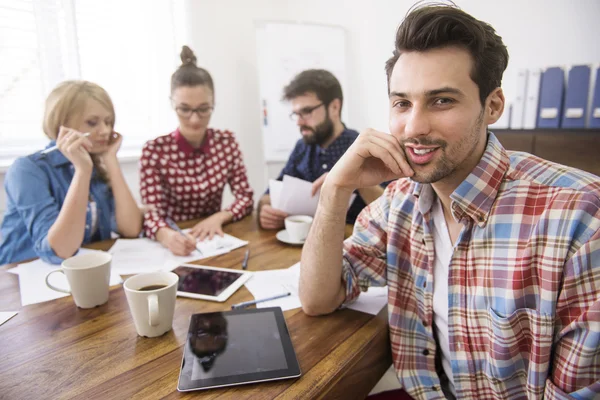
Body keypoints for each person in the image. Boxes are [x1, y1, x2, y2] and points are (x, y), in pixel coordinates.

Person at [299, 4, 600, 400]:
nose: (414, 127)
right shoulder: (400, 203)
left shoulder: (579, 217)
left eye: (441, 101)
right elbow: (318, 299)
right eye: (401, 103)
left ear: (492, 105)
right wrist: (337, 191)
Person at [0, 80, 143, 265]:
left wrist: (111, 160)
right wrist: (82, 171)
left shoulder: (95, 164)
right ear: (62, 125)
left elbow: (131, 229)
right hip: (21, 277)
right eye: (92, 123)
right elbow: (60, 250)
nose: (105, 131)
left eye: (108, 122)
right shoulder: (27, 170)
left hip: (80, 272)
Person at [140, 46, 254, 256]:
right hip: (172, 242)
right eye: (184, 109)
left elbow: (245, 198)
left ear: (213, 104)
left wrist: (219, 217)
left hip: (214, 240)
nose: (194, 119)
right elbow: (150, 213)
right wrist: (166, 236)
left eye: (203, 109)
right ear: (172, 104)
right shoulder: (155, 150)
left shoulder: (226, 143)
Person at [257, 69, 386, 230]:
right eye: (296, 114)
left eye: (306, 112)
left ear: (334, 107)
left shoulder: (363, 149)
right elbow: (271, 193)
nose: (299, 122)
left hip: (355, 245)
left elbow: (394, 209)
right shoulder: (302, 147)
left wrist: (353, 180)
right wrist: (265, 210)